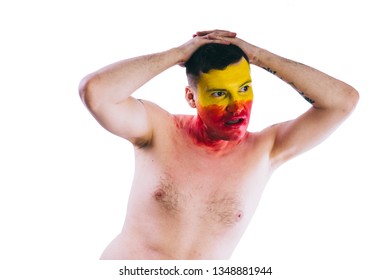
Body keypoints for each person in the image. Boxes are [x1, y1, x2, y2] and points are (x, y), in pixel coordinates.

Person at [79, 29, 359, 260]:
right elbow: (96, 91)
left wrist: (257, 56)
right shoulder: (157, 129)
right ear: (191, 98)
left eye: (244, 89)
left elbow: (343, 101)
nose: (236, 107)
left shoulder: (266, 149)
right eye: (219, 94)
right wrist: (179, 54)